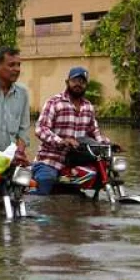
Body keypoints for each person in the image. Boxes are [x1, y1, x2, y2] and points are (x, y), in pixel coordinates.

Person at [30, 66, 107, 195]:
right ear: (67, 82)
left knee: (93, 180)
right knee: (45, 185)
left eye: (82, 82)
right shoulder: (54, 102)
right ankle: (29, 208)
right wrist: (61, 141)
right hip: (50, 160)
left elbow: (94, 132)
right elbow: (40, 129)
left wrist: (106, 144)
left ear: (86, 85)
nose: (78, 84)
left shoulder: (88, 106)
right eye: (75, 80)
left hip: (76, 161)